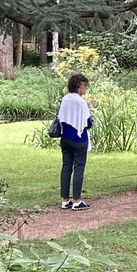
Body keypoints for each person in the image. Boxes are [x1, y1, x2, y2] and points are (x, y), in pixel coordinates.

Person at [58, 73, 93, 210]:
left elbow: (61, 117)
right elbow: (87, 123)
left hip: (65, 137)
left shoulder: (65, 99)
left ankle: (65, 199)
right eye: (85, 86)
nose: (85, 89)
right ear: (79, 86)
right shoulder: (80, 102)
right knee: (79, 168)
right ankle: (77, 200)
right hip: (79, 139)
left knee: (66, 167)